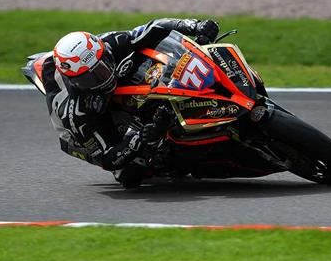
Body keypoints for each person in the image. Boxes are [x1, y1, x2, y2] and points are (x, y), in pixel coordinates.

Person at [41, 18, 220, 187]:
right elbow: (108, 159)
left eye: (102, 69)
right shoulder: (75, 112)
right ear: (75, 82)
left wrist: (194, 26)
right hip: (81, 135)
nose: (100, 80)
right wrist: (138, 137)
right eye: (89, 79)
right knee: (129, 175)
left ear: (104, 54)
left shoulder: (110, 43)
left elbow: (154, 28)